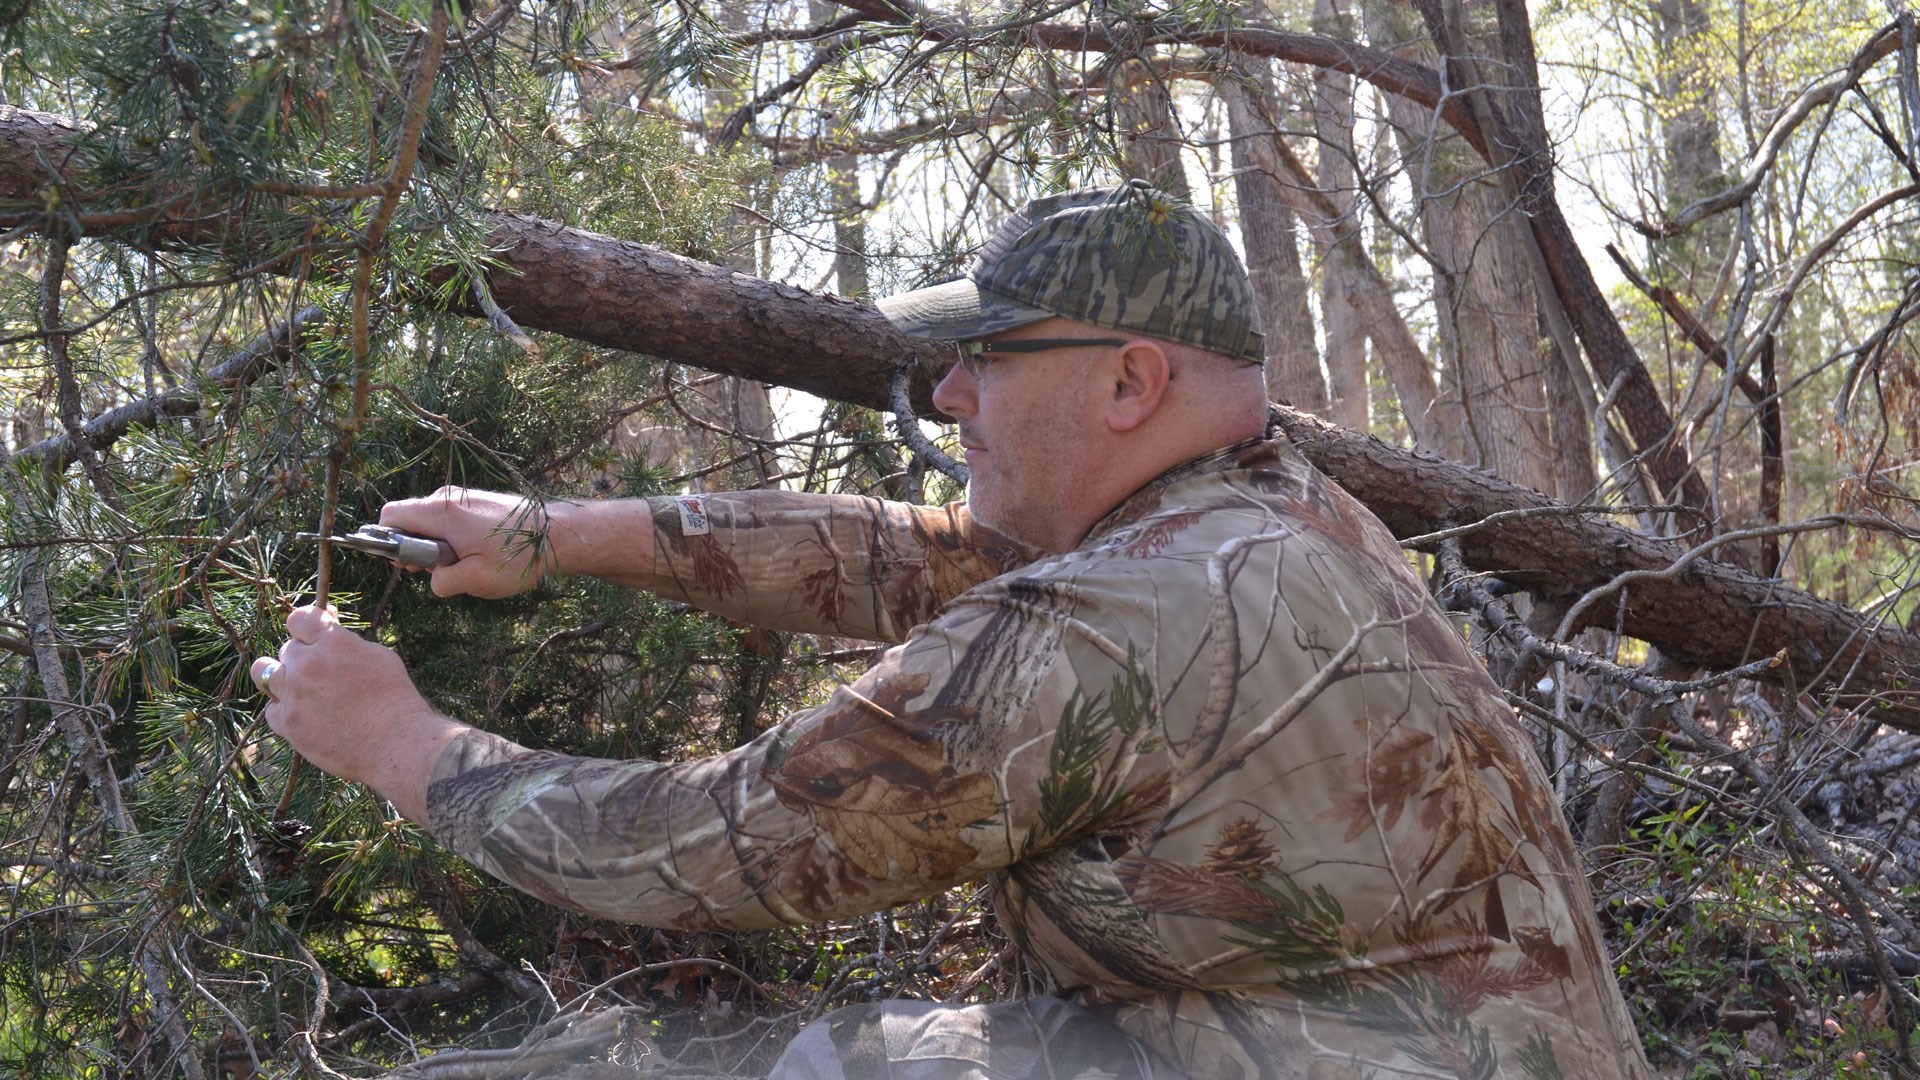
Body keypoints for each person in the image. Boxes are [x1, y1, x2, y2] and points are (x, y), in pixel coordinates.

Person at [254, 182, 1652, 1078]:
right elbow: (886, 554)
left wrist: (397, 741)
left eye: (984, 356)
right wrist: (553, 535)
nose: (943, 396)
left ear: (1129, 381)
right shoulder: (1271, 507)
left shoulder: (1124, 620)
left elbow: (712, 845)